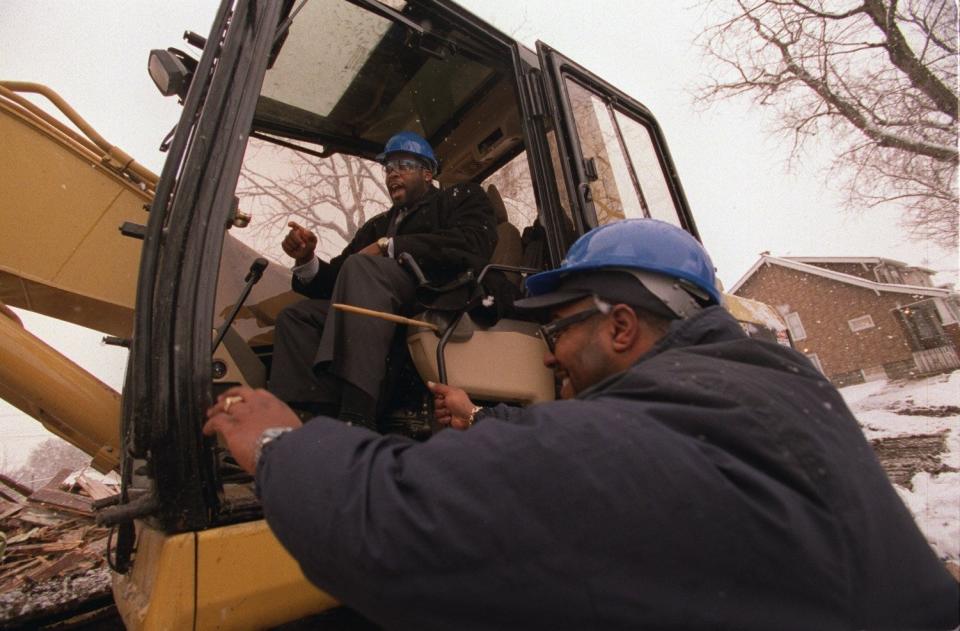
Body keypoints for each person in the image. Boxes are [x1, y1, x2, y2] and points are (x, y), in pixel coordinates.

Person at [204, 219, 958, 630]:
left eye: (558, 330)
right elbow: (626, 445)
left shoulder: (651, 440)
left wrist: (284, 443)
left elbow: (393, 523)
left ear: (621, 325)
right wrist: (487, 415)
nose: (551, 353)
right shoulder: (778, 389)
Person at [268, 131, 497, 430]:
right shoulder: (376, 224)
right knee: (297, 317)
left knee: (364, 267)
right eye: (388, 168)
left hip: (434, 292)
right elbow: (339, 279)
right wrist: (306, 259)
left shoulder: (459, 198)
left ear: (428, 173)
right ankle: (310, 416)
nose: (393, 174)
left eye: (403, 165)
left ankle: (357, 415)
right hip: (375, 295)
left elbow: (472, 244)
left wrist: (391, 246)